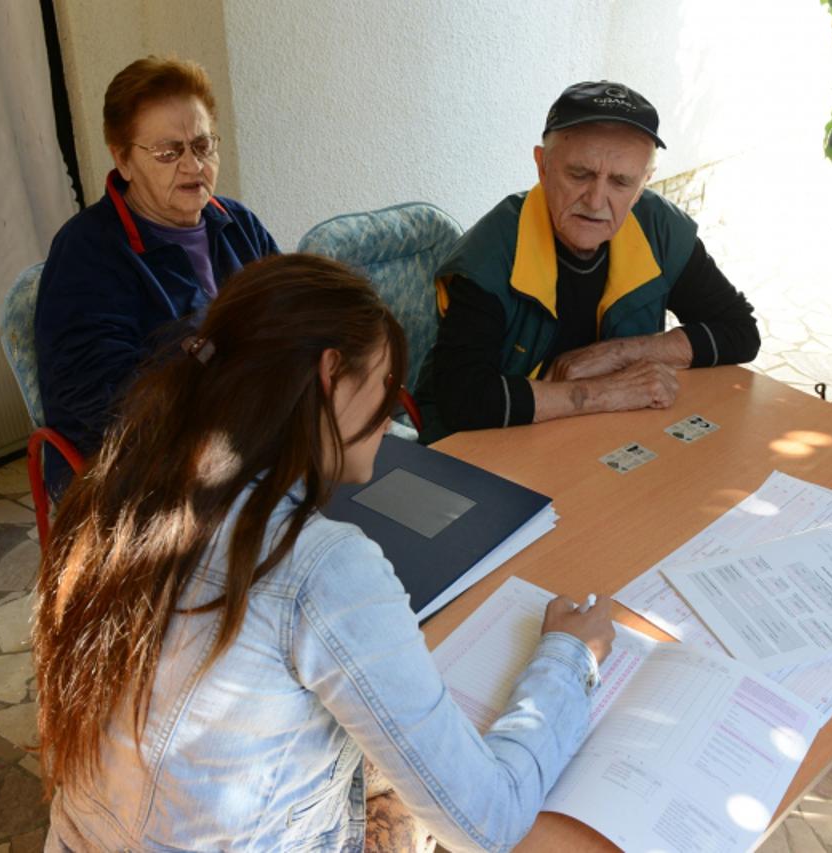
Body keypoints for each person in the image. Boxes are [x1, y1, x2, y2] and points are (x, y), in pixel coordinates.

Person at [33, 253, 615, 852]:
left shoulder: (122, 487)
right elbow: (488, 820)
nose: (391, 415)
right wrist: (570, 659)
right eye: (386, 386)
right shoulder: (319, 567)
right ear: (331, 374)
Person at [416, 81, 760, 443]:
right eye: (579, 174)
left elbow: (740, 331)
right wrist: (608, 392)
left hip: (597, 438)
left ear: (643, 185)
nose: (596, 201)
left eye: (621, 182)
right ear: (543, 166)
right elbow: (463, 399)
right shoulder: (489, 253)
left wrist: (617, 354)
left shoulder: (660, 228)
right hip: (483, 446)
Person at [35, 56, 279, 494]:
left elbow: (289, 317)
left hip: (250, 430)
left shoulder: (237, 223)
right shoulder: (86, 252)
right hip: (141, 468)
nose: (193, 166)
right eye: (169, 153)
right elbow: (103, 403)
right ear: (123, 160)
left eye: (202, 146)